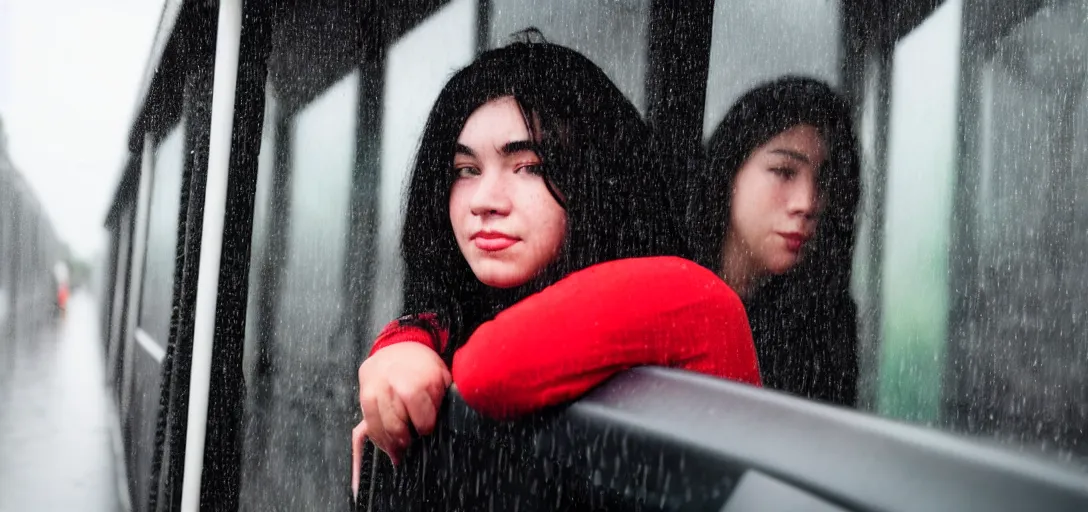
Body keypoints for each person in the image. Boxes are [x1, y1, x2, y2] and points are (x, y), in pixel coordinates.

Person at [350, 36, 762, 497]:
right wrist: (405, 341)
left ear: (598, 178)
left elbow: (492, 370)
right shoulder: (462, 325)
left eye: (528, 165)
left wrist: (406, 347)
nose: (484, 201)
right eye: (465, 170)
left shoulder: (689, 292)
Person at [686, 76, 862, 408]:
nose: (808, 203)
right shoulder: (668, 283)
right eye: (784, 171)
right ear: (730, 170)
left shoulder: (822, 322)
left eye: (823, 181)